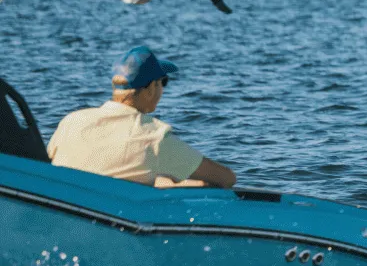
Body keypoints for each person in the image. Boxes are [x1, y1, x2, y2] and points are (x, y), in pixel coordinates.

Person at [48, 46, 236, 189]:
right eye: (163, 82)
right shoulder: (154, 136)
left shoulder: (71, 121)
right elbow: (226, 179)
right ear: (151, 87)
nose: (163, 90)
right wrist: (192, 184)